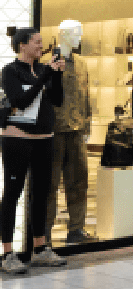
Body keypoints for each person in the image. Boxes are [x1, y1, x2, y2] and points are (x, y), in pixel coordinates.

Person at [2, 28, 68, 274]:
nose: (42, 46)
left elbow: (57, 100)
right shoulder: (10, 71)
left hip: (44, 140)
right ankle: (8, 253)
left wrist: (57, 75)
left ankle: (40, 249)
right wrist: (45, 76)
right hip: (17, 141)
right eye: (37, 42)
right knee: (12, 194)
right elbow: (21, 101)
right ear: (22, 45)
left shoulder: (43, 69)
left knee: (41, 193)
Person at [45, 20, 93, 245]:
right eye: (76, 33)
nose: (80, 37)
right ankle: (43, 233)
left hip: (76, 130)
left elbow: (86, 95)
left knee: (78, 181)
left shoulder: (82, 64)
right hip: (54, 131)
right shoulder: (48, 62)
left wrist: (87, 125)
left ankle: (76, 229)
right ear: (63, 34)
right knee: (49, 184)